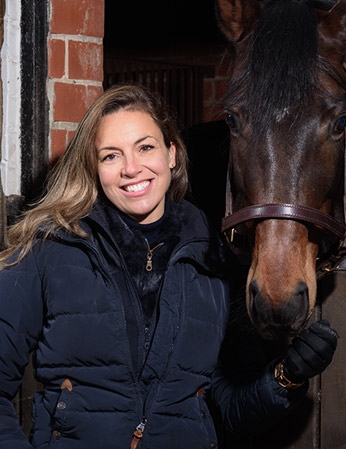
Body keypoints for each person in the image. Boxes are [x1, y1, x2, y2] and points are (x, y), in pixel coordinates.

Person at [0, 83, 338, 449]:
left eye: (145, 147)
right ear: (94, 168)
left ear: (171, 154)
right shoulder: (50, 249)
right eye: (111, 156)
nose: (132, 168)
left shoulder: (212, 262)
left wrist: (287, 376)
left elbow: (226, 409)